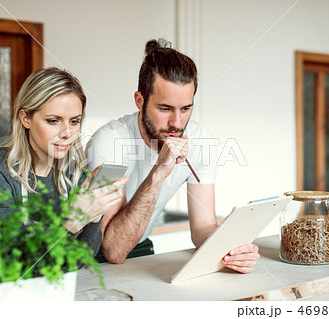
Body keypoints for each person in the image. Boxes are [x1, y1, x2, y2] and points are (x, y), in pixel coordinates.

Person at [86, 39, 259, 273]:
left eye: (185, 109)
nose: (176, 123)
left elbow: (202, 229)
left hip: (141, 246)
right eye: (165, 108)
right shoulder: (109, 142)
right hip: (94, 257)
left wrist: (231, 249)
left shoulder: (200, 140)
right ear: (140, 101)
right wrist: (159, 172)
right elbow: (113, 249)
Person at [0, 67, 127, 257]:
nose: (67, 132)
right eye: (53, 121)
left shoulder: (74, 177)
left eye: (74, 121)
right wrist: (71, 222)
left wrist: (94, 215)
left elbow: (81, 260)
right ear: (26, 119)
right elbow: (9, 264)